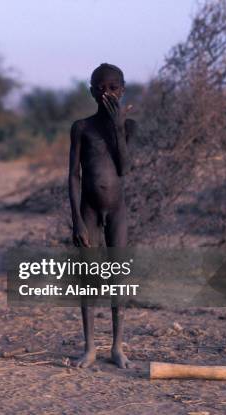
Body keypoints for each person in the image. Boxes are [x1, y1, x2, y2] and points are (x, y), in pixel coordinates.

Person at [68, 63, 136, 369]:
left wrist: (118, 127)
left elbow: (124, 168)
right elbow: (73, 177)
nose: (106, 93)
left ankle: (117, 347)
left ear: (122, 91)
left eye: (112, 88)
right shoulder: (81, 127)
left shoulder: (128, 126)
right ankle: (90, 347)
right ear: (91, 91)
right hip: (89, 211)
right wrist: (77, 220)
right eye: (100, 87)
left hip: (117, 209)